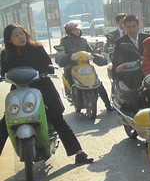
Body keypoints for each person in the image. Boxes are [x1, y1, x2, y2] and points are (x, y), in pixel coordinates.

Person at [0, 24, 92, 164]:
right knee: (6, 121)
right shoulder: (5, 54)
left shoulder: (37, 48)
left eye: (22, 33)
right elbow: (4, 72)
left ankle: (79, 153)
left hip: (42, 88)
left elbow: (48, 65)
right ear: (9, 39)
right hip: (18, 90)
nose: (21, 37)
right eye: (16, 35)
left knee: (56, 117)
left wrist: (46, 71)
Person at [56, 21, 113, 111]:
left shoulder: (83, 40)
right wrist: (66, 56)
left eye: (78, 29)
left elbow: (89, 50)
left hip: (85, 65)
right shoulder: (64, 41)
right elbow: (60, 54)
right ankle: (72, 90)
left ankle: (108, 105)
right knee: (68, 70)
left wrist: (95, 52)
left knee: (98, 83)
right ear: (69, 31)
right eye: (75, 30)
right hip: (72, 65)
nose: (77, 31)